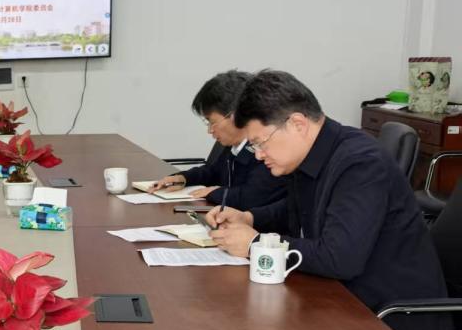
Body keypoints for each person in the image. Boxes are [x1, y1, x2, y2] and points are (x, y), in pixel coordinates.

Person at [208, 69, 447, 315]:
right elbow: (297, 208)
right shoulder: (311, 156)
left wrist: (255, 244)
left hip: (391, 316)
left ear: (297, 124)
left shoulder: (361, 164)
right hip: (341, 299)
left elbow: (340, 259)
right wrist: (249, 218)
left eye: (260, 142)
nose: (258, 155)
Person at [147, 70, 287, 209]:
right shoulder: (234, 146)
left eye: (212, 122)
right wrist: (183, 178)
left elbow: (252, 197)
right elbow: (213, 172)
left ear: (235, 116)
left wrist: (216, 193)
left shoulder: (265, 150)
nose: (210, 130)